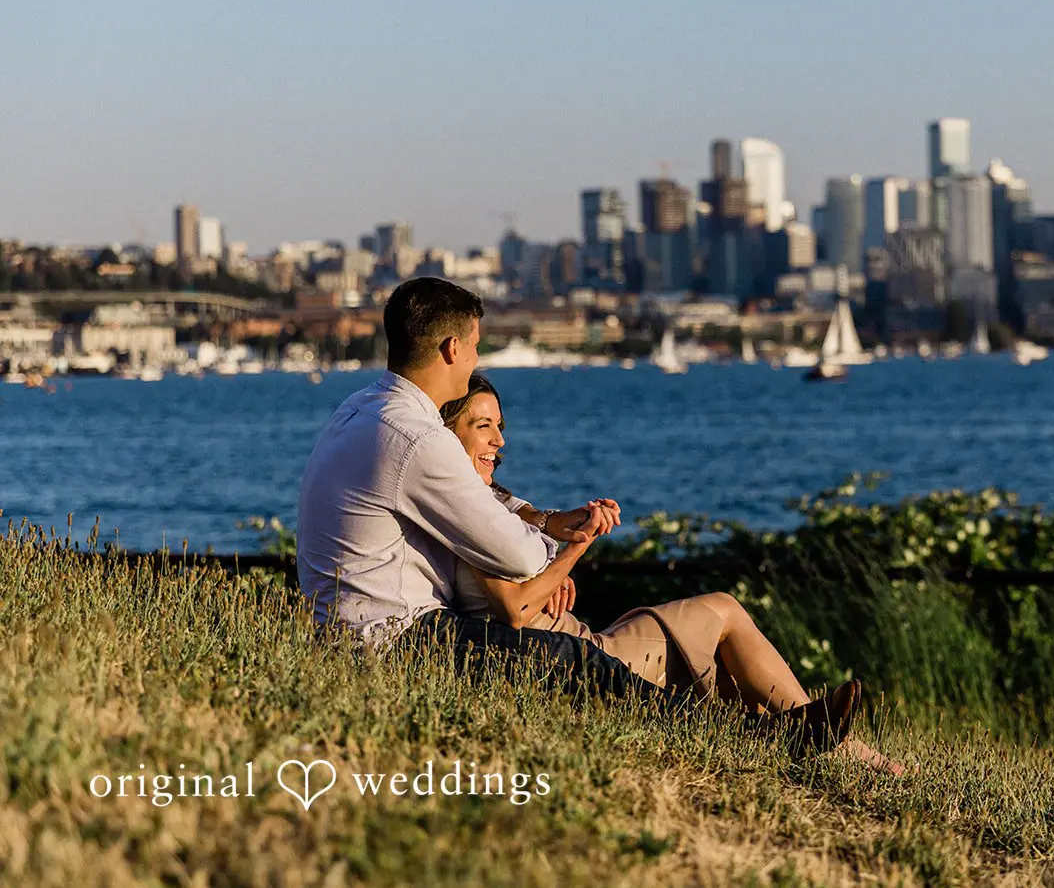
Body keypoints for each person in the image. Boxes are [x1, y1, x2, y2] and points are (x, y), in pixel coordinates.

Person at [296, 278, 858, 755]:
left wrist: (536, 521)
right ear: (451, 348)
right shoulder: (418, 437)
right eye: (475, 349)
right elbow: (518, 557)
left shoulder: (360, 409)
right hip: (394, 640)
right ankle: (739, 740)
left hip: (347, 632)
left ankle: (768, 732)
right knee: (570, 659)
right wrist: (559, 544)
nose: (475, 362)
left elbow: (489, 521)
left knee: (572, 656)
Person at [442, 370, 899, 772]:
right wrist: (576, 548)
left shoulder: (487, 500)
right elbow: (516, 611)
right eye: (483, 426)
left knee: (725, 665)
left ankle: (821, 743)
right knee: (723, 611)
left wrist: (559, 550)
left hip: (578, 644)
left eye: (499, 426)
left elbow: (530, 520)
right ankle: (833, 743)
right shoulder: (467, 513)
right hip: (582, 662)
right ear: (446, 435)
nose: (499, 441)